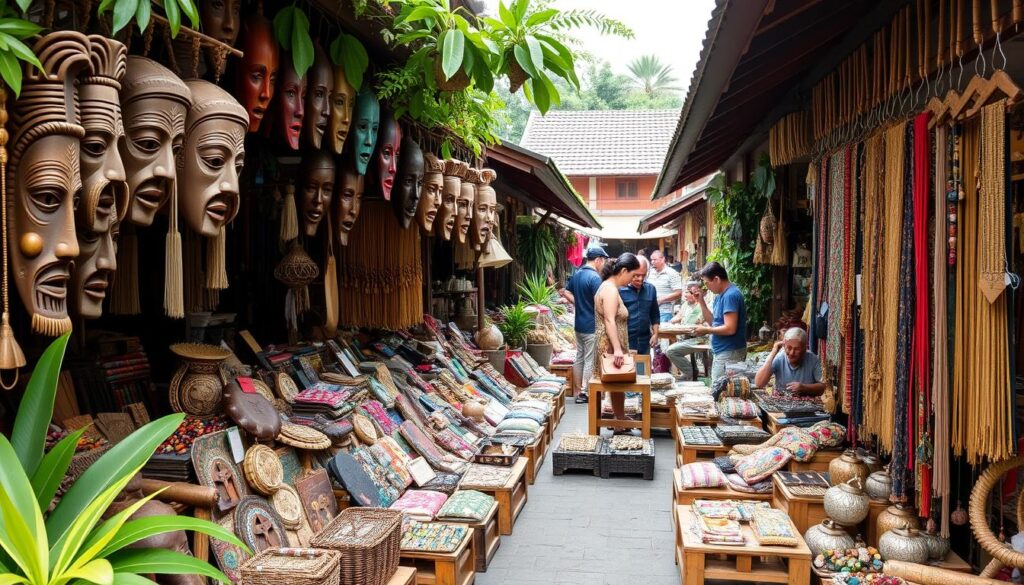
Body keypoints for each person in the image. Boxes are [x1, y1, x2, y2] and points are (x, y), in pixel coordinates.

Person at [594, 253, 641, 433]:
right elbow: (609, 320)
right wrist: (618, 350)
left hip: (611, 345)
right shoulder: (610, 290)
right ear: (623, 271)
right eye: (632, 275)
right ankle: (619, 420)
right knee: (615, 382)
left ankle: (619, 419)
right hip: (609, 346)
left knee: (617, 384)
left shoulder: (608, 287)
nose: (633, 279)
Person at [560, 246, 608, 404]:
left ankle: (578, 390)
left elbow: (566, 292)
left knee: (579, 358)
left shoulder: (578, 274)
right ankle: (585, 392)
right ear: (598, 260)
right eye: (603, 261)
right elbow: (600, 301)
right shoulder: (595, 278)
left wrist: (578, 303)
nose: (603, 264)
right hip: (591, 325)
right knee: (589, 359)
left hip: (579, 325)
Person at [691, 261, 747, 384]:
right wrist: (701, 302)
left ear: (716, 279)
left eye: (707, 283)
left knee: (719, 391)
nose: (707, 287)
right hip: (722, 351)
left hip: (730, 352)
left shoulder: (730, 295)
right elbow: (713, 322)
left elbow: (730, 328)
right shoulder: (720, 296)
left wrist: (706, 330)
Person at [754, 327, 824, 395]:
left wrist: (804, 387)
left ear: (804, 348)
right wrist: (773, 353)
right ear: (784, 346)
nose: (791, 353)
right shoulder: (779, 358)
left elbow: (823, 387)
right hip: (782, 401)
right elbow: (759, 383)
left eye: (796, 349)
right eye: (789, 348)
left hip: (808, 402)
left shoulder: (813, 359)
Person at [665, 282, 708, 379]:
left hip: (699, 339)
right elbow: (678, 316)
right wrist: (668, 323)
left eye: (688, 292)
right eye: (685, 292)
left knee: (671, 351)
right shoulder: (686, 304)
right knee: (667, 349)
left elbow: (698, 322)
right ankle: (690, 371)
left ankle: (688, 374)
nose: (685, 294)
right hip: (686, 336)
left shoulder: (701, 305)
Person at [618, 255, 659, 355]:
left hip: (645, 341)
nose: (640, 279)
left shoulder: (651, 289)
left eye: (643, 275)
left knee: (643, 369)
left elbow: (655, 314)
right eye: (636, 275)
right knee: (628, 369)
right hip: (625, 341)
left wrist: (655, 334)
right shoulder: (619, 289)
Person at [648, 250, 682, 323]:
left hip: (665, 311)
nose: (652, 262)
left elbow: (679, 293)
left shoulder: (672, 273)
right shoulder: (649, 273)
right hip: (649, 311)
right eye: (651, 260)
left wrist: (661, 300)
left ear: (663, 259)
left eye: (655, 260)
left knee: (663, 334)